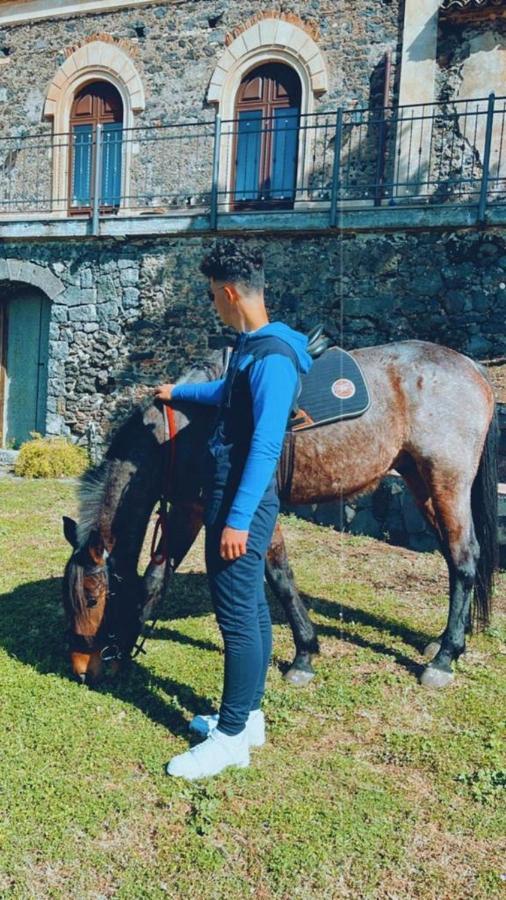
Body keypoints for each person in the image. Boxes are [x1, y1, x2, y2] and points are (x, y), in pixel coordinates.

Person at [154, 240, 312, 780]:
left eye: (211, 297)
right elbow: (228, 392)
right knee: (250, 607)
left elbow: (267, 444)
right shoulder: (253, 346)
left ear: (227, 293)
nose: (212, 306)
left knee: (237, 616)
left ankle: (228, 740)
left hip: (241, 498)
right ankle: (248, 719)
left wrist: (239, 520)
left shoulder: (271, 357)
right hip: (230, 491)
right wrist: (178, 391)